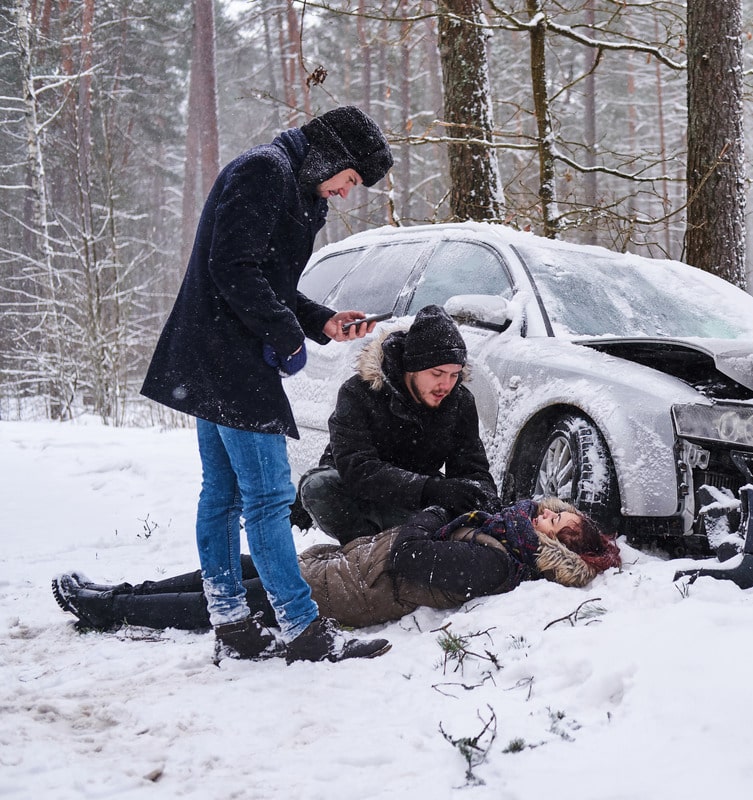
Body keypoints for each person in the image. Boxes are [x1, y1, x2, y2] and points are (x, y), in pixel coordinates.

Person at [139, 105, 395, 665]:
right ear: (332, 155)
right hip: (231, 360)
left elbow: (268, 279)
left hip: (217, 354)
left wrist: (321, 321)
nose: (346, 193)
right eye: (349, 179)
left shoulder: (286, 181)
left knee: (225, 495)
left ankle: (231, 620)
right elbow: (232, 268)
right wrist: (288, 339)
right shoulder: (266, 172)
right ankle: (302, 628)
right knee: (269, 498)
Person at [50, 498, 622, 637]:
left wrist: (429, 512)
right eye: (554, 509)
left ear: (557, 552)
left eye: (557, 525)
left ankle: (112, 610)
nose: (546, 514)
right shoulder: (498, 532)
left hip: (350, 593)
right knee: (235, 569)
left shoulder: (496, 566)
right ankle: (125, 591)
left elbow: (409, 552)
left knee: (230, 600)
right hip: (348, 566)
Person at [297, 304, 501, 546]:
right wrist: (430, 489)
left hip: (414, 503)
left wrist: (482, 498)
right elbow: (357, 468)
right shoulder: (359, 391)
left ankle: (412, 545)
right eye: (437, 374)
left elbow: (473, 468)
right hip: (360, 495)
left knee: (458, 517)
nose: (446, 385)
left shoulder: (459, 401)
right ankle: (363, 551)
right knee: (318, 486)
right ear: (411, 368)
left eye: (454, 374)